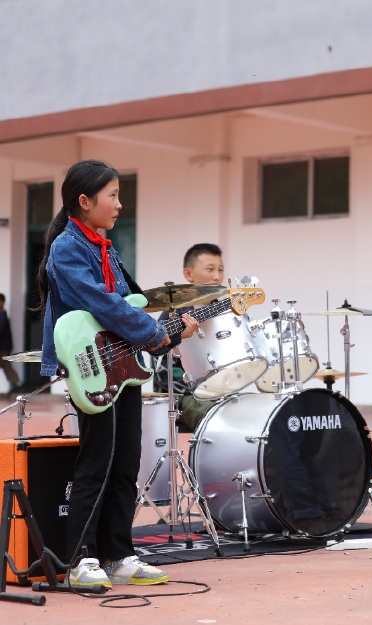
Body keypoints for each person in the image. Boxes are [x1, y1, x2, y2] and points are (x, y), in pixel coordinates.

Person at [37, 159, 199, 590]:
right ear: (84, 201)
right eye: (112, 196)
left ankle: (118, 553)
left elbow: (128, 303)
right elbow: (101, 305)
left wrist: (171, 328)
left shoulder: (105, 247)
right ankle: (79, 559)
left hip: (120, 364)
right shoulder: (68, 248)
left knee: (126, 458)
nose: (119, 205)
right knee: (98, 460)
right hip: (92, 366)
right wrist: (153, 334)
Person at [153, 243, 225, 431]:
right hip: (182, 396)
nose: (217, 276)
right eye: (210, 269)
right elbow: (159, 365)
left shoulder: (224, 313)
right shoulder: (175, 313)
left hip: (221, 391)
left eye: (220, 270)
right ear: (188, 274)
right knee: (216, 418)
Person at [0, 293, 21, 394]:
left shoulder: (2, 316)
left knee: (6, 365)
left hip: (3, 347)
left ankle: (15, 383)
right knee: (6, 365)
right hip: (3, 346)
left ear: (2, 302)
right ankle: (15, 383)